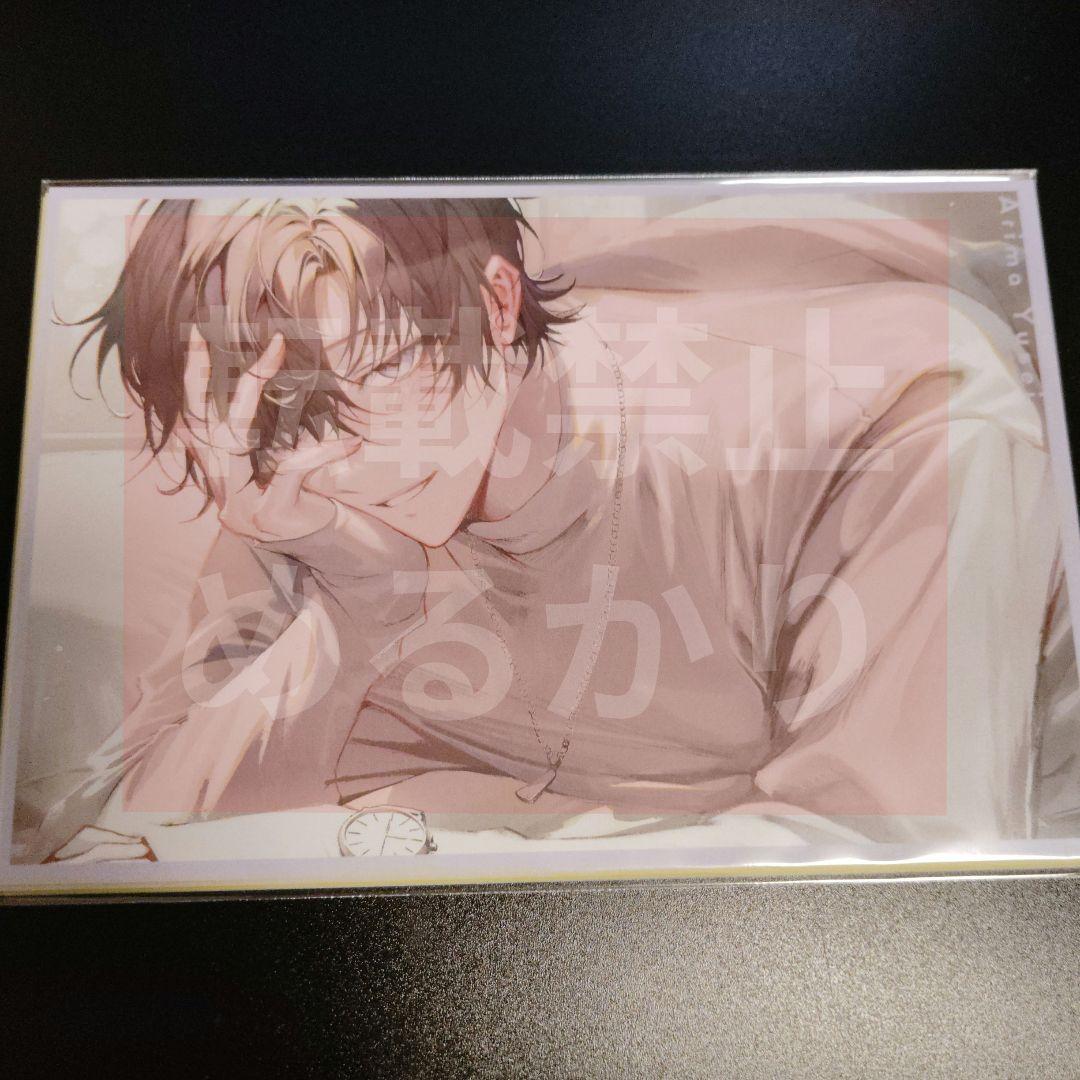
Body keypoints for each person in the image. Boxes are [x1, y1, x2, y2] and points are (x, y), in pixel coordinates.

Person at [25, 195, 1065, 864]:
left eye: (387, 371)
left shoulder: (894, 425)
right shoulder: (307, 480)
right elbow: (111, 836)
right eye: (292, 413)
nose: (355, 458)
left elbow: (894, 869)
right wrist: (361, 596)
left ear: (497, 302)